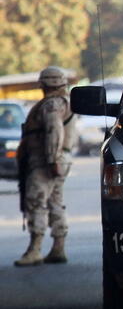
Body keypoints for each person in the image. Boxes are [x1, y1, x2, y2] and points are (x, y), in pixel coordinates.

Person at [14, 67, 76, 267]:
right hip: (55, 159)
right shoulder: (63, 102)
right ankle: (58, 248)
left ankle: (35, 250)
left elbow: (54, 130)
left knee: (36, 201)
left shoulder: (52, 104)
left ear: (45, 83)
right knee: (55, 202)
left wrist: (52, 159)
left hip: (45, 161)